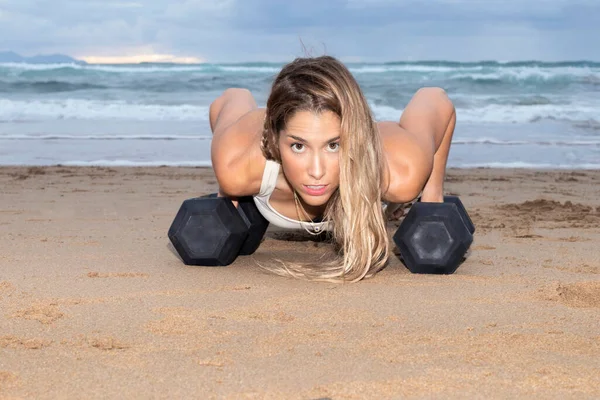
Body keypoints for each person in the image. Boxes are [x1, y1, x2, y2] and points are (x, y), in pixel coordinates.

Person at [209, 55, 456, 283]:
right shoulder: (237, 167)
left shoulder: (399, 174)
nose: (316, 171)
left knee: (408, 180)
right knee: (237, 125)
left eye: (333, 146)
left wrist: (432, 197)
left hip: (371, 140)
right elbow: (227, 100)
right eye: (298, 146)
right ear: (275, 141)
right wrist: (227, 197)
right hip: (263, 130)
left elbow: (436, 99)